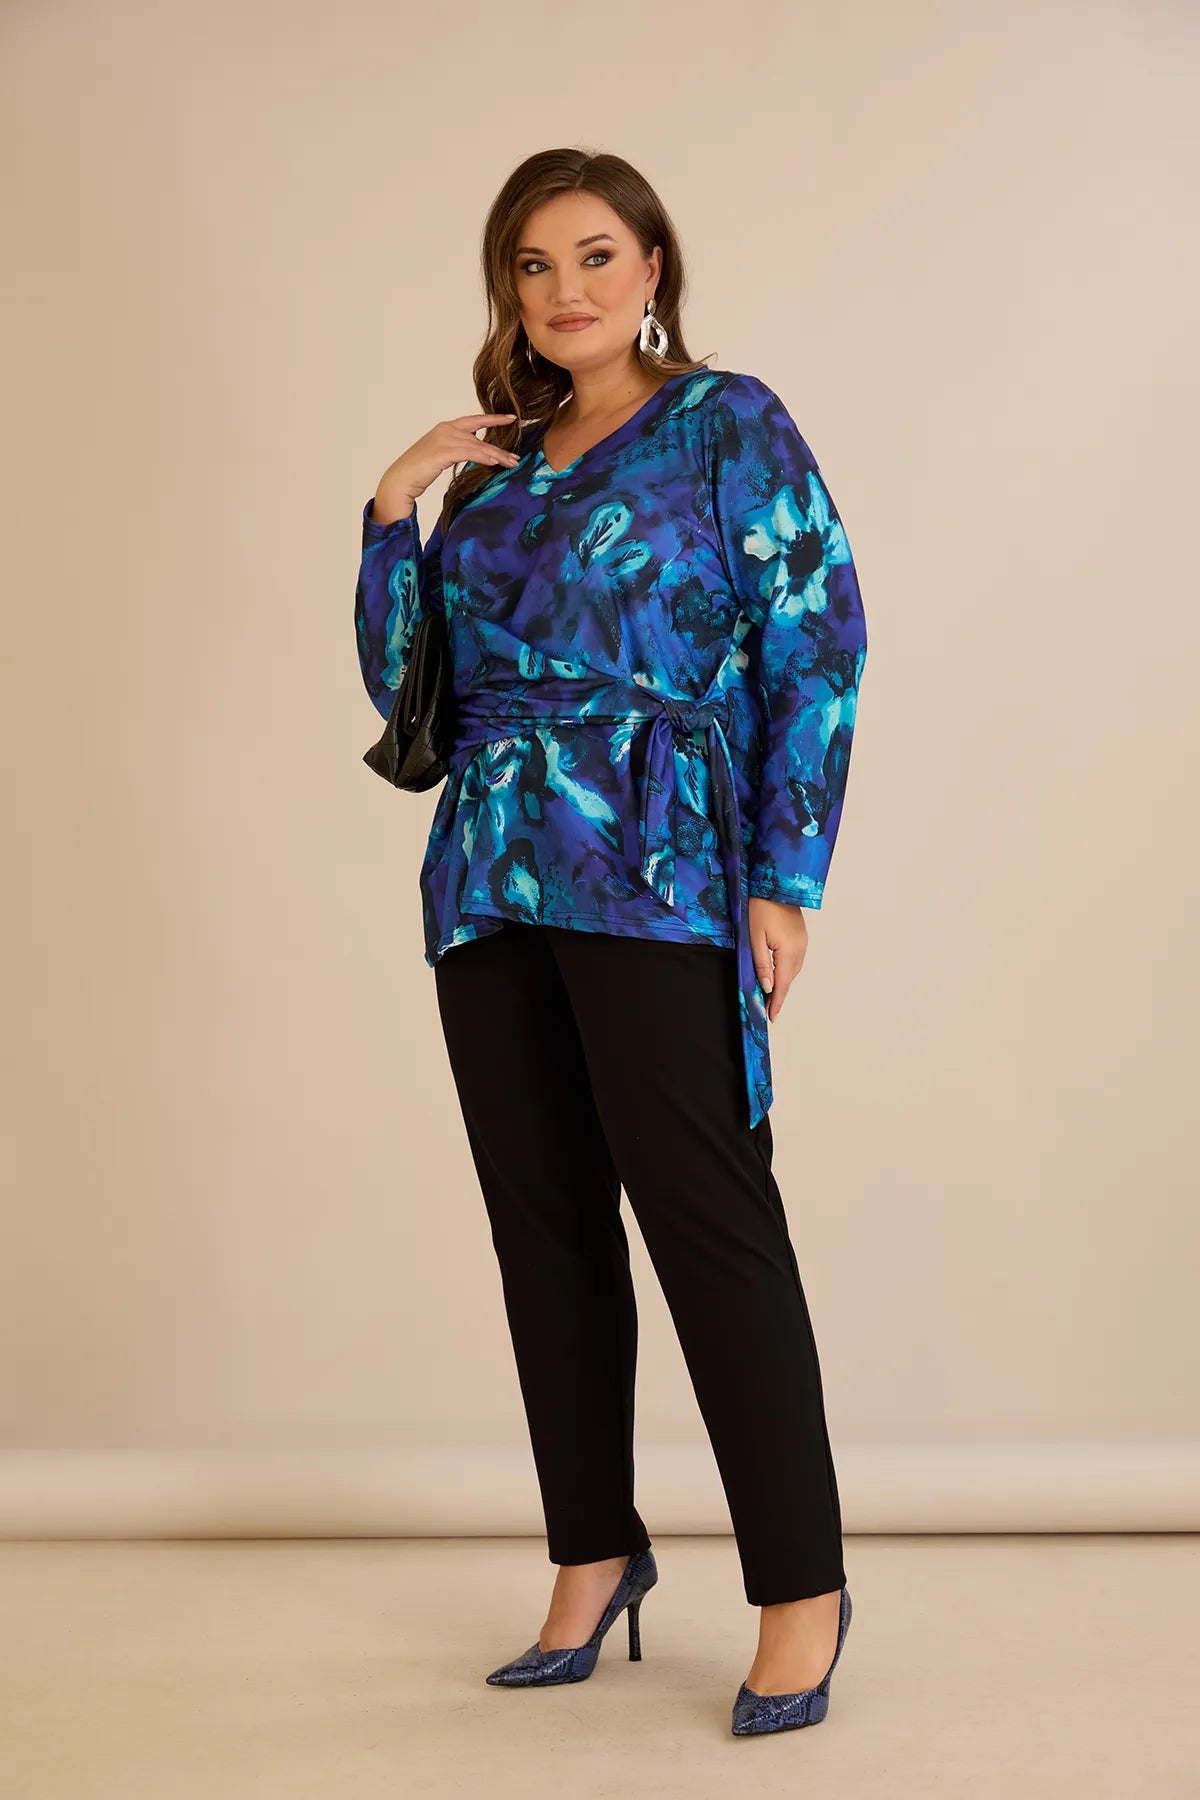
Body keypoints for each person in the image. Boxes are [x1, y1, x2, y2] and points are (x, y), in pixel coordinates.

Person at [353, 148, 867, 1737]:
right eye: (532, 264)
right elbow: (409, 701)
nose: (563, 288)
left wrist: (782, 876)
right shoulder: (493, 474)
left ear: (652, 268)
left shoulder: (727, 424)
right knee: (546, 1229)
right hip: (491, 875)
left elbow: (818, 637)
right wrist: (391, 509)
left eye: (594, 254)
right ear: (507, 291)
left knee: (709, 1219)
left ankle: (802, 1590)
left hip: (657, 862)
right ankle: (592, 1556)